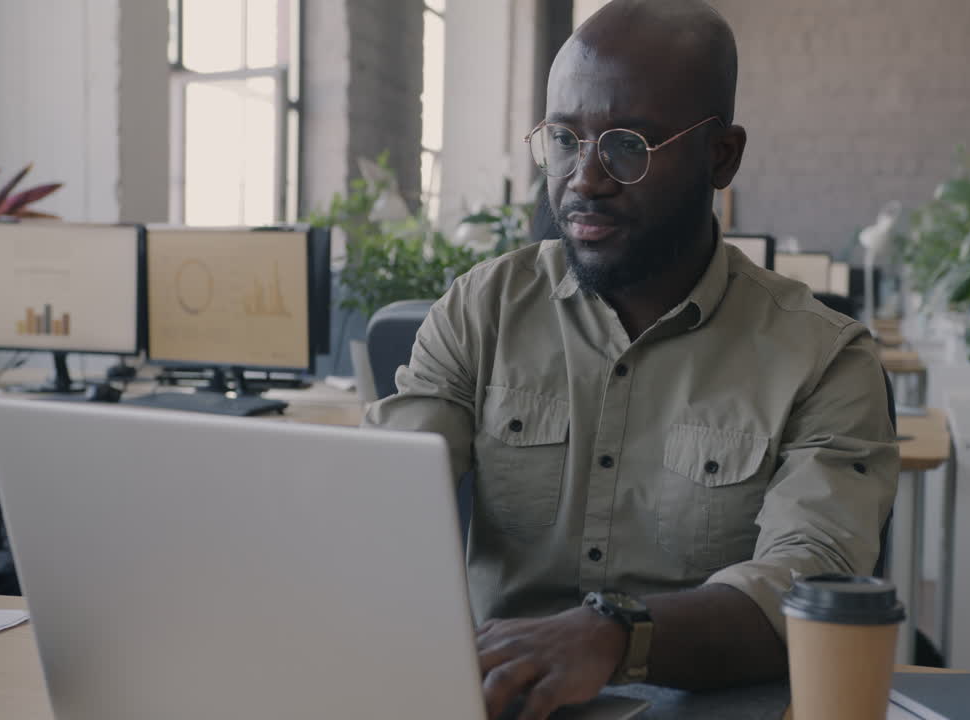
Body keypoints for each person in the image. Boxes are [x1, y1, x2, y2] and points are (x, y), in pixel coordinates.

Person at [365, 1, 897, 718]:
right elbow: (382, 501)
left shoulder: (825, 359)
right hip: (501, 696)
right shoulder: (482, 308)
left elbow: (810, 583)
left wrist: (615, 635)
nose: (585, 178)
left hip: (702, 706)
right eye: (564, 139)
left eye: (629, 146)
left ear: (721, 156)